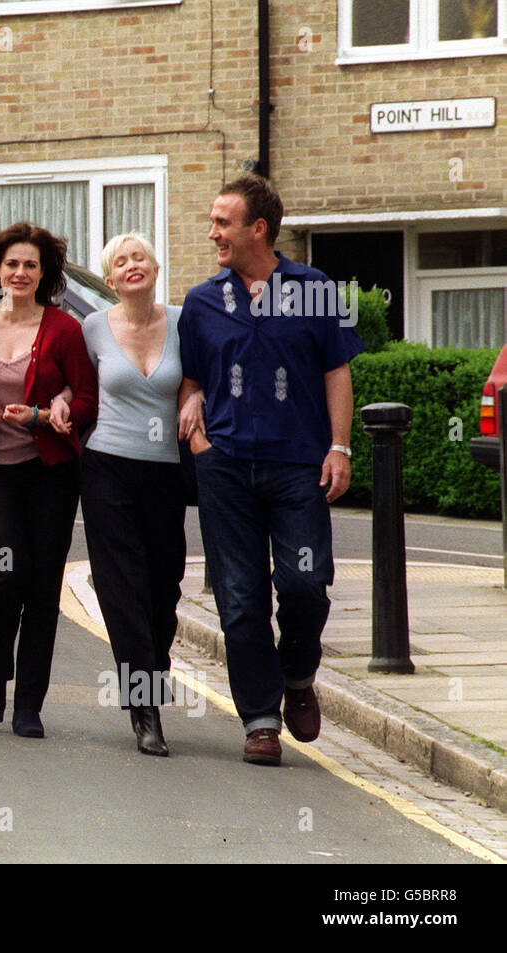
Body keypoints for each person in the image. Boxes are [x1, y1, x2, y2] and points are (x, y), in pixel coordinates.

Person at [177, 175, 363, 766]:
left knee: (305, 583)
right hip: (225, 467)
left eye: (222, 223)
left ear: (259, 228)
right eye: (212, 222)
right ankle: (259, 719)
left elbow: (337, 370)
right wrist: (194, 417)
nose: (213, 234)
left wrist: (340, 447)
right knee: (239, 597)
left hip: (297, 467)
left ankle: (300, 674)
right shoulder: (204, 301)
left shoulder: (313, 290)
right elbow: (192, 378)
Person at [0, 223, 96, 739]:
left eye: (31, 265)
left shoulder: (64, 329)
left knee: (43, 584)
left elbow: (88, 398)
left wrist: (54, 410)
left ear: (44, 273)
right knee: (8, 571)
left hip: (50, 471)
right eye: (12, 264)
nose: (21, 272)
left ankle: (29, 703)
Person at [53, 233, 191, 756]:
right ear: (109, 281)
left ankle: (153, 673)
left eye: (140, 257)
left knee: (164, 588)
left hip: (166, 472)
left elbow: (198, 377)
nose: (132, 266)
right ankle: (145, 710)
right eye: (121, 262)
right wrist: (63, 400)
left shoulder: (182, 322)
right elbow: (78, 384)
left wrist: (194, 394)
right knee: (121, 588)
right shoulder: (92, 328)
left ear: (155, 269)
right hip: (107, 466)